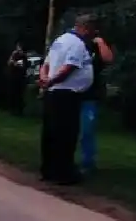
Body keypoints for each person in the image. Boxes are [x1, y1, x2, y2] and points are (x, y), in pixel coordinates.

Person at [37, 17, 95, 185]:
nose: (93, 34)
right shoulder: (77, 44)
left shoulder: (59, 40)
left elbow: (45, 64)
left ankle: (48, 169)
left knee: (50, 133)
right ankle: (63, 173)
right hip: (67, 95)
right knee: (66, 135)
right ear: (85, 28)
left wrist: (44, 79)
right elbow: (69, 68)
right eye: (92, 29)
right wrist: (51, 81)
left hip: (53, 93)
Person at [78, 24, 114, 173]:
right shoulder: (76, 44)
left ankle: (87, 163)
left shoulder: (96, 46)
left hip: (90, 94)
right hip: (72, 92)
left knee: (87, 130)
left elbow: (108, 59)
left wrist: (100, 42)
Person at [7, 43, 28, 115]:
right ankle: (12, 109)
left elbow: (22, 66)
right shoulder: (14, 55)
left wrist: (15, 63)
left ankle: (20, 111)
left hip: (20, 78)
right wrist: (12, 60)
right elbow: (9, 63)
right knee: (12, 93)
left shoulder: (23, 56)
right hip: (13, 77)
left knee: (20, 95)